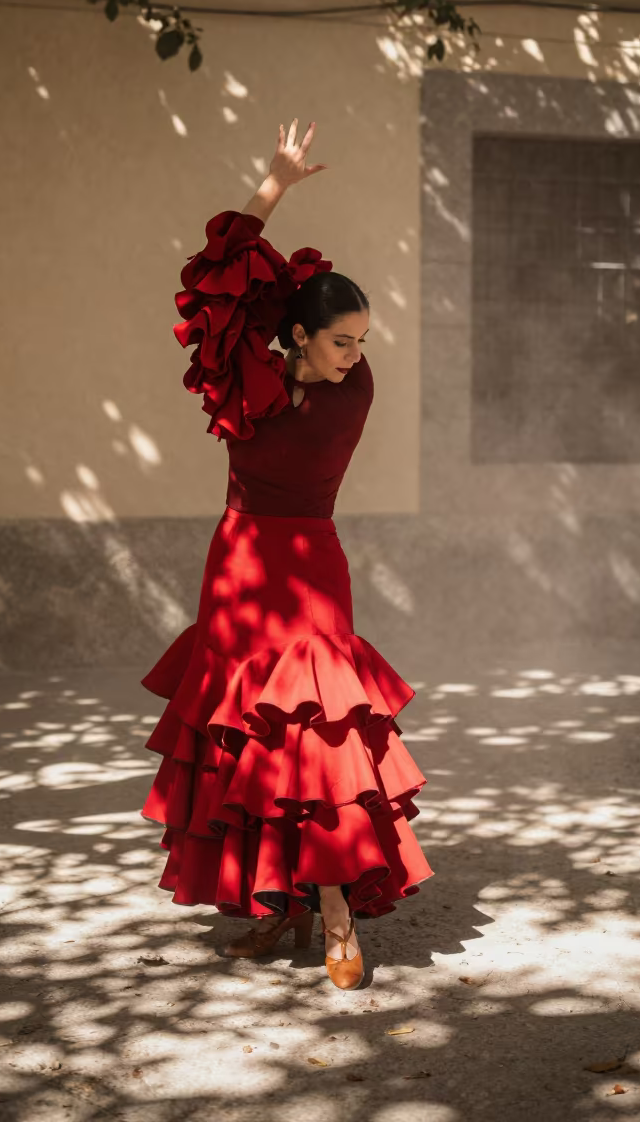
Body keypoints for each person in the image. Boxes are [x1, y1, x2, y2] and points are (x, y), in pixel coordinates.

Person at [141, 118, 431, 990]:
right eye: (342, 339)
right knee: (246, 738)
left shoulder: (352, 390)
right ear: (300, 337)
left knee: (312, 738)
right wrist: (274, 185)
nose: (356, 356)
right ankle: (280, 907)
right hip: (240, 569)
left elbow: (253, 304)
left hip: (311, 572)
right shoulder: (245, 382)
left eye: (363, 341)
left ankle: (333, 911)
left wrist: (313, 317)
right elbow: (217, 284)